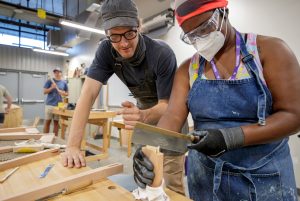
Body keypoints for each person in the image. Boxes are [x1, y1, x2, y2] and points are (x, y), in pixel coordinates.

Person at [134, 0, 300, 200]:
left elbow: (293, 116)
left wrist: (229, 137)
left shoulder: (269, 51)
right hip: (206, 177)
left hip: (263, 177)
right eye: (192, 36)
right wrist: (149, 151)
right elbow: (172, 116)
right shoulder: (188, 70)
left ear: (224, 13)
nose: (201, 37)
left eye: (205, 27)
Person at [60, 0, 186, 194]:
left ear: (139, 25)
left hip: (172, 119)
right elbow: (88, 94)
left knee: (170, 184)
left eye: (129, 33)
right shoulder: (106, 51)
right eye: (115, 37)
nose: (124, 43)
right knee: (147, 180)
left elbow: (168, 105)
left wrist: (143, 115)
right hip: (144, 121)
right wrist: (73, 146)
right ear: (106, 34)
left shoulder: (161, 54)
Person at [43, 67, 68, 136]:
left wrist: (63, 93)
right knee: (47, 122)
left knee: (56, 123)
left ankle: (55, 139)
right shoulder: (49, 81)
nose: (57, 73)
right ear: (54, 73)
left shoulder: (64, 82)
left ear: (61, 73)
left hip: (59, 105)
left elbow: (67, 93)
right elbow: (44, 92)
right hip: (49, 105)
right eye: (55, 72)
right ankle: (45, 139)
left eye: (58, 72)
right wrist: (52, 87)